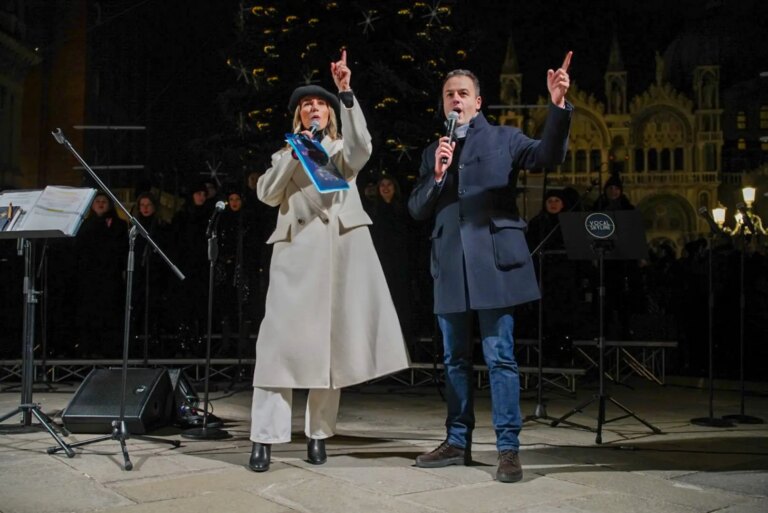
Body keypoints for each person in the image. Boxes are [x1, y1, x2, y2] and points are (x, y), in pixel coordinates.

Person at [407, 52, 573, 483]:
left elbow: (547, 155)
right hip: (449, 266)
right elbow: (417, 208)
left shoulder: (505, 138)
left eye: (463, 94)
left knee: (499, 356)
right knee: (453, 358)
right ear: (442, 104)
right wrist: (438, 176)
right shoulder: (433, 152)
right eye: (449, 95)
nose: (455, 100)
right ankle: (457, 440)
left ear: (478, 102)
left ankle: (507, 448)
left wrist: (557, 106)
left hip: (494, 264)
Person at [248, 50, 410, 473]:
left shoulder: (340, 149)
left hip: (337, 256)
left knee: (328, 350)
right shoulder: (283, 155)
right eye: (306, 105)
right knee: (276, 349)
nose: (313, 108)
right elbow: (266, 193)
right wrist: (293, 152)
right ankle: (264, 439)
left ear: (330, 113)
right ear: (298, 116)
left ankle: (319, 434)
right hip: (294, 256)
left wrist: (346, 91)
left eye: (320, 103)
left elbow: (362, 149)